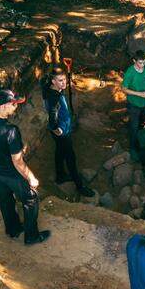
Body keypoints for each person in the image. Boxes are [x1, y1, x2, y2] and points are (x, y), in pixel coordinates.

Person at [0, 89, 50, 246]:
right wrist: (31, 178)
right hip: (10, 172)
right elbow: (18, 162)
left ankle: (13, 229)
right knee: (31, 198)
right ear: (3, 106)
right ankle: (31, 236)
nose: (15, 107)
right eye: (13, 104)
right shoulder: (11, 131)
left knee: (5, 198)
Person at [42, 67, 91, 196]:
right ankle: (80, 186)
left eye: (64, 80)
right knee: (71, 158)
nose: (64, 83)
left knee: (59, 151)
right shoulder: (55, 98)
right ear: (53, 81)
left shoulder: (49, 88)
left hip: (60, 131)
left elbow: (44, 83)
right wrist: (59, 130)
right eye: (60, 80)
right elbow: (53, 116)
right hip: (62, 132)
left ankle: (60, 176)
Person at [120, 50, 145, 156]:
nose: (142, 65)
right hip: (133, 104)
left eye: (144, 62)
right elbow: (124, 89)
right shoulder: (130, 72)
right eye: (140, 63)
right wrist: (140, 94)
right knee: (134, 126)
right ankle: (133, 147)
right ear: (134, 61)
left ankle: (142, 139)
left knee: (143, 122)